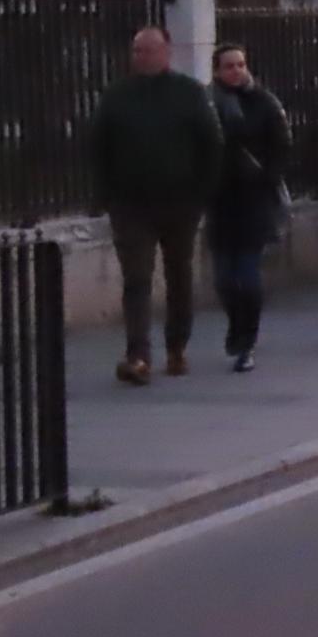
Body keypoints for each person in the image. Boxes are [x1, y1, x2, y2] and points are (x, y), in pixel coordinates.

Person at [93, 26, 223, 384]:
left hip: (180, 203)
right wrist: (105, 194)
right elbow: (98, 145)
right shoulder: (116, 96)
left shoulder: (189, 94)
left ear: (166, 53)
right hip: (130, 205)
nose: (142, 57)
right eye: (137, 51)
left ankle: (177, 345)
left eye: (149, 50)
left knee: (178, 274)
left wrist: (201, 193)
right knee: (136, 277)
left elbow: (211, 145)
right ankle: (137, 355)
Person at [206, 44, 292, 373]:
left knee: (248, 275)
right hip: (221, 199)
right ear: (217, 70)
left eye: (241, 64)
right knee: (224, 278)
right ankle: (235, 325)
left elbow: (281, 144)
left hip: (254, 199)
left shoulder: (264, 102)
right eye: (229, 66)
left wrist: (268, 176)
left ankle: (247, 341)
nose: (236, 71)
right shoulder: (209, 103)